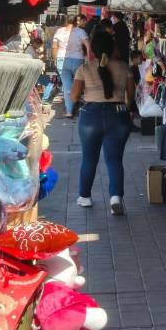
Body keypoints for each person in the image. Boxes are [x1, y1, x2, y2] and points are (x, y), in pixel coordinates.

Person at [70, 30, 135, 215]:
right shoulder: (124, 68)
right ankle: (116, 197)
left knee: (89, 159)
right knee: (115, 160)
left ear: (93, 50)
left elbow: (73, 96)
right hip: (118, 115)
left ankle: (85, 197)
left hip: (90, 116)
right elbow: (130, 97)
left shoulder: (84, 69)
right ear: (113, 47)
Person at [53, 15, 92, 118]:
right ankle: (81, 105)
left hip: (62, 60)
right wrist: (89, 59)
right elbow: (88, 46)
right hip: (78, 60)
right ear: (76, 21)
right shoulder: (81, 32)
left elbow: (54, 47)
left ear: (65, 21)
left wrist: (55, 59)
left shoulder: (59, 31)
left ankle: (69, 112)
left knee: (67, 86)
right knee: (80, 83)